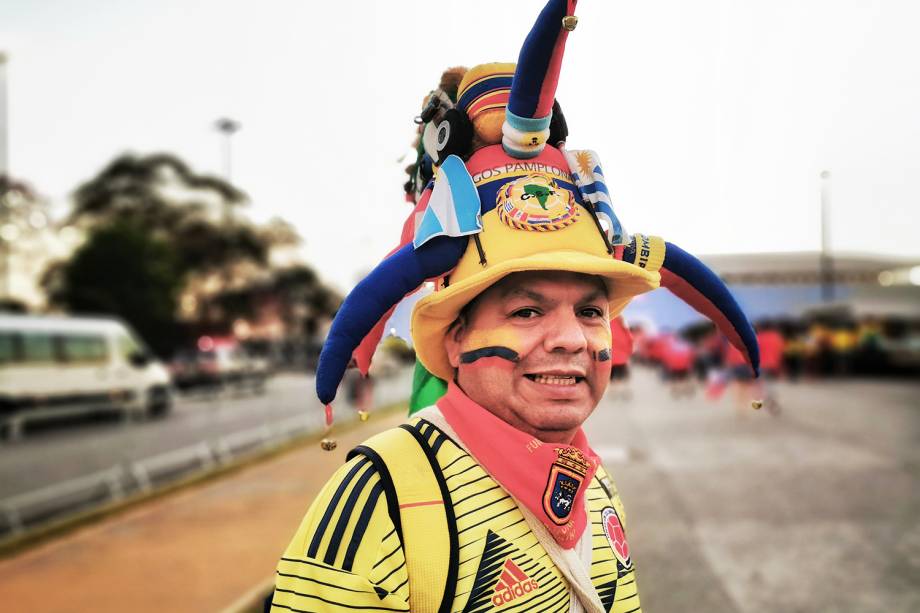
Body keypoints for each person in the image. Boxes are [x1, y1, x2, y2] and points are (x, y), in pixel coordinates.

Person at [268, 2, 760, 611]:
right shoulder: (380, 496)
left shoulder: (595, 485)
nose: (573, 339)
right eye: (527, 312)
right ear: (454, 338)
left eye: (590, 311)